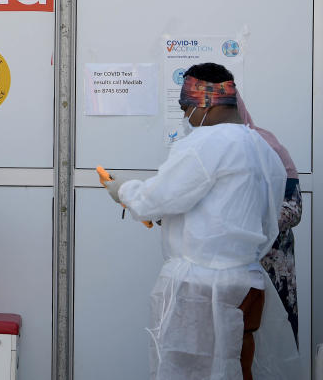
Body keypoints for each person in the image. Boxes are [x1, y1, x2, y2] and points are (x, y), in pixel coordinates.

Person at [102, 63, 297, 380]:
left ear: (205, 102)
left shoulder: (206, 144)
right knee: (239, 367)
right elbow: (241, 212)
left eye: (186, 107)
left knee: (189, 370)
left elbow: (157, 199)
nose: (185, 116)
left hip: (203, 290)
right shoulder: (263, 149)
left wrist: (122, 190)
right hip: (247, 283)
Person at [237, 93, 302, 342]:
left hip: (271, 270)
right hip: (228, 273)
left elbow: (293, 208)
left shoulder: (267, 145)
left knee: (274, 342)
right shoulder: (210, 151)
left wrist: (247, 222)